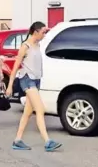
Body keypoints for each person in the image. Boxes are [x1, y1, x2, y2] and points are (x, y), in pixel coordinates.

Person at [6, 21, 61, 152]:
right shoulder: (25, 46)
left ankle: (17, 140)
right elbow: (15, 67)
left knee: (27, 113)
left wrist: (48, 29)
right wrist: (9, 86)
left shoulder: (37, 44)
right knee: (40, 109)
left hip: (36, 81)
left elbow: (47, 32)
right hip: (27, 80)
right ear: (35, 32)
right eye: (42, 32)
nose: (44, 35)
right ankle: (48, 141)